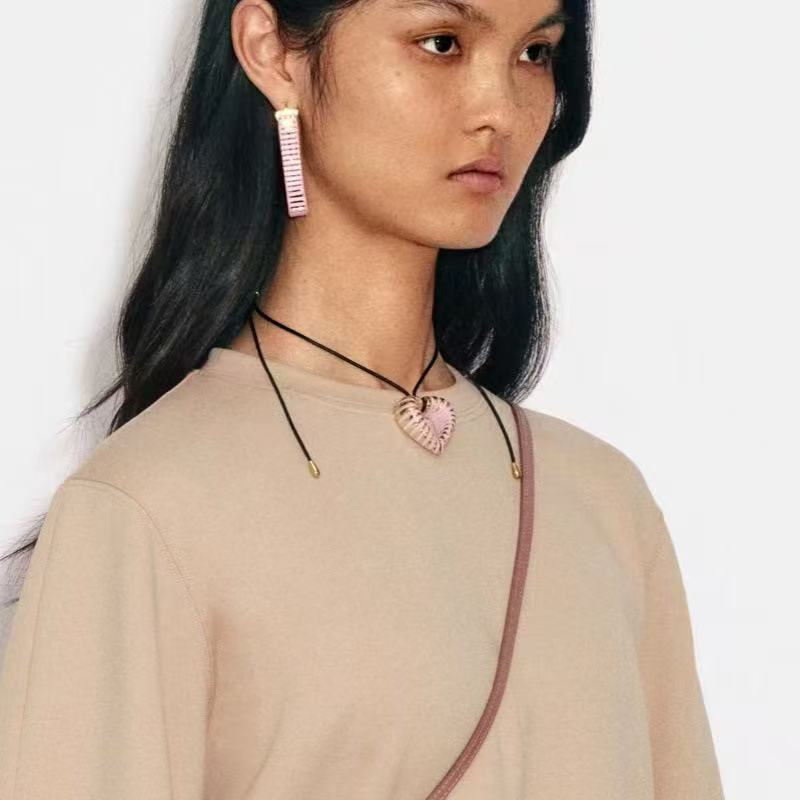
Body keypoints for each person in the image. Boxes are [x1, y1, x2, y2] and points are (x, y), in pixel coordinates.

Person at [0, 0, 725, 798]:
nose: (501, 109)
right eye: (441, 43)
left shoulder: (603, 503)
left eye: (535, 54)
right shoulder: (147, 506)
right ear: (272, 50)